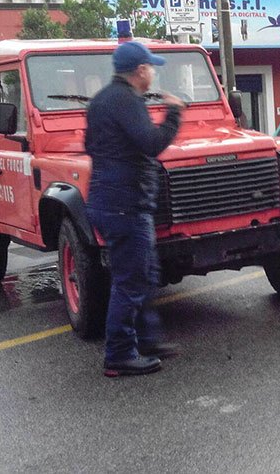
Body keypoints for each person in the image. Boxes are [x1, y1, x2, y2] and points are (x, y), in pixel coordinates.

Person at [85, 41, 187, 377]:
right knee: (130, 281)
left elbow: (90, 145)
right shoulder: (127, 100)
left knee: (145, 274)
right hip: (125, 206)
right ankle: (119, 354)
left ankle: (147, 339)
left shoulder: (101, 100)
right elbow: (152, 144)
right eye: (151, 67)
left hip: (109, 201)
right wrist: (174, 113)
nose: (153, 73)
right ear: (141, 70)